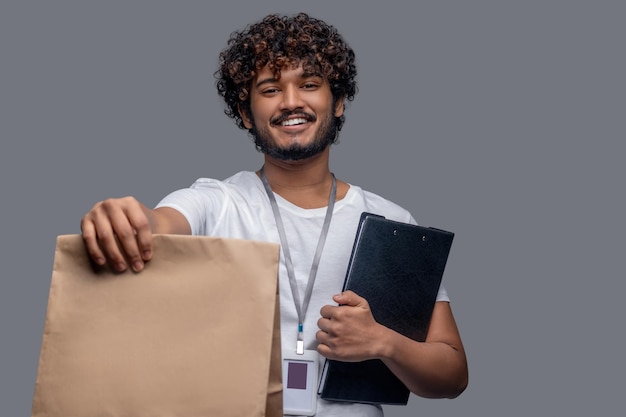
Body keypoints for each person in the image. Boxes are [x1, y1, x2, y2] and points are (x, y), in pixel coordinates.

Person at [81, 12, 468, 416]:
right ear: (247, 114)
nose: (290, 102)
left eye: (310, 84)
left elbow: (453, 374)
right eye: (269, 89)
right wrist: (129, 219)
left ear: (337, 102)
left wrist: (383, 342)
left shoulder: (391, 223)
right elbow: (160, 223)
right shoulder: (218, 202)